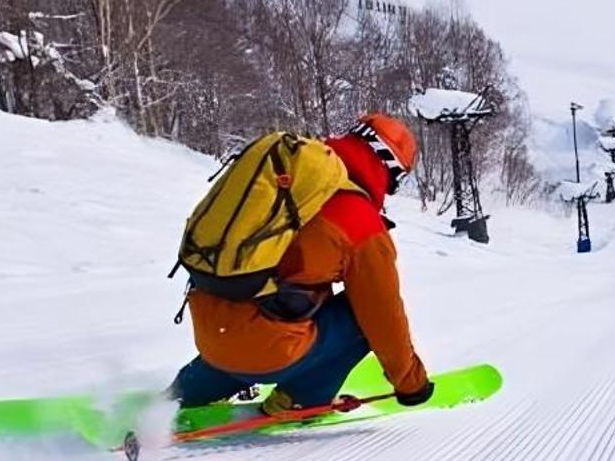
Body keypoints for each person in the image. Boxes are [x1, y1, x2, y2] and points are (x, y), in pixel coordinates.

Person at [170, 114, 432, 416]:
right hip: (262, 351)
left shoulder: (288, 187)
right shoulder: (360, 222)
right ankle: (301, 400)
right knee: (360, 316)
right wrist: (411, 384)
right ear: (389, 171)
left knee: (258, 303)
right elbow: (383, 317)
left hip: (210, 331)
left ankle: (186, 392)